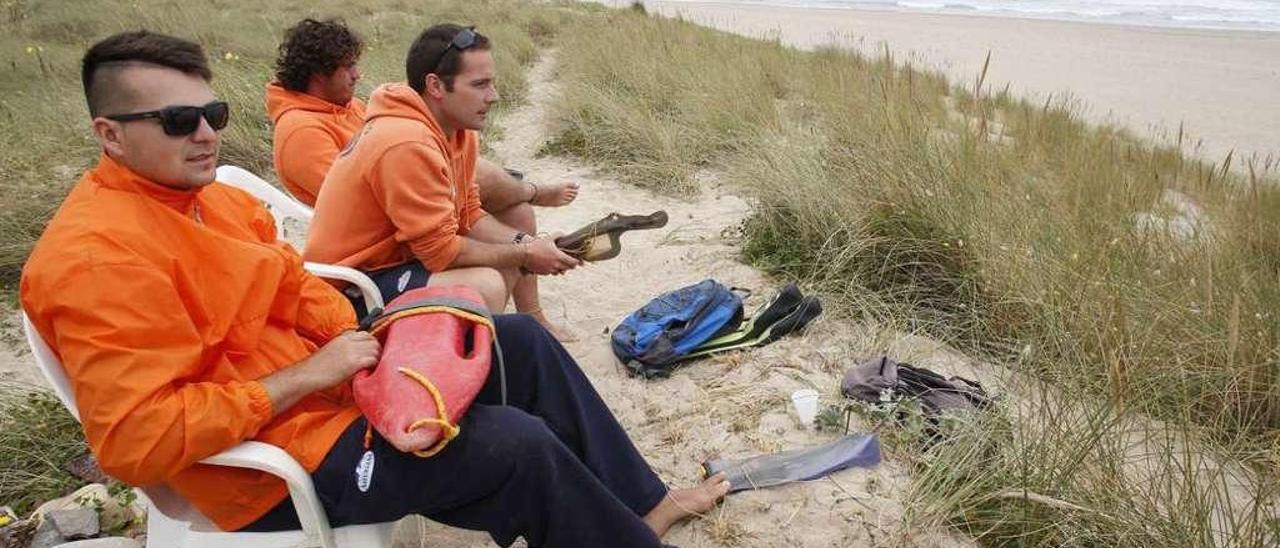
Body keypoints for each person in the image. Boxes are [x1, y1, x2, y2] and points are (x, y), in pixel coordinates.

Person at [20, 30, 727, 547]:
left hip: (337, 390)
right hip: (271, 467)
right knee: (515, 445)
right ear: (110, 136)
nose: (205, 134)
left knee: (519, 342)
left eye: (215, 115)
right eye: (179, 121)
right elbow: (136, 443)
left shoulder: (211, 203)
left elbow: (297, 288)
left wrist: (370, 345)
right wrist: (303, 378)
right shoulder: (96, 260)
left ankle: (644, 503)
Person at [303, 24, 582, 340]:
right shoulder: (405, 142)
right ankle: (463, 361)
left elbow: (470, 214)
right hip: (351, 287)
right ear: (435, 86)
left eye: (492, 83)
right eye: (480, 85)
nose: (494, 96)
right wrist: (527, 255)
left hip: (395, 259)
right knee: (483, 285)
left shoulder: (456, 130)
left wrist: (529, 244)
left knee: (507, 247)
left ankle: (477, 346)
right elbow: (440, 253)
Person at [267, 18, 578, 209]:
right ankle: (531, 191)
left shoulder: (345, 107)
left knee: (516, 213)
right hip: (381, 232)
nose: (357, 74)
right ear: (318, 74)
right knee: (471, 174)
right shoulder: (300, 131)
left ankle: (528, 309)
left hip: (407, 192)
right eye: (348, 67)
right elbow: (349, 199)